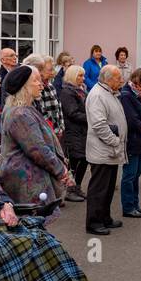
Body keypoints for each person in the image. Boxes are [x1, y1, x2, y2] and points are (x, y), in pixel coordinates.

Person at [0, 66, 72, 221]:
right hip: (27, 180)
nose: (41, 84)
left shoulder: (23, 109)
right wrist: (61, 171)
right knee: (33, 224)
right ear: (24, 85)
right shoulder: (20, 113)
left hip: (29, 176)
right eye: (36, 80)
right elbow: (37, 149)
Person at [84, 64, 127, 236]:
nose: (122, 80)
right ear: (108, 79)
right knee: (99, 189)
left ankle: (104, 217)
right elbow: (99, 125)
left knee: (108, 188)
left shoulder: (109, 92)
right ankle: (94, 223)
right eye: (118, 78)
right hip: (103, 150)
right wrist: (115, 141)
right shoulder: (97, 95)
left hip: (110, 151)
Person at [119, 68, 141, 219]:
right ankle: (128, 207)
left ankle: (135, 204)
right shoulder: (127, 95)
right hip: (133, 140)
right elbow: (131, 119)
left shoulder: (140, 94)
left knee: (137, 174)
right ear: (137, 81)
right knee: (129, 175)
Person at [58, 64, 90, 199]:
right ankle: (70, 189)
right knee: (76, 159)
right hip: (73, 130)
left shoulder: (81, 90)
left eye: (83, 75)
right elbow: (72, 113)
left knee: (84, 159)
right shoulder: (67, 92)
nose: (82, 78)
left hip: (83, 130)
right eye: (80, 75)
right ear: (72, 76)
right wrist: (91, 118)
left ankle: (77, 187)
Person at [28, 53, 63, 138]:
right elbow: (42, 112)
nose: (53, 72)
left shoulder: (50, 86)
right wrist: (50, 131)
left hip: (56, 131)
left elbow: (59, 107)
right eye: (50, 70)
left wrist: (61, 127)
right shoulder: (37, 88)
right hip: (46, 132)